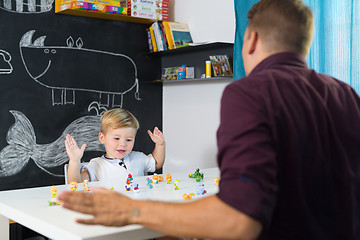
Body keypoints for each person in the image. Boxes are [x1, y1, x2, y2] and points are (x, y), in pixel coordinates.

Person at [59, 0, 360, 239]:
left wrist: (130, 211)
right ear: (304, 44)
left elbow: (239, 219)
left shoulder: (250, 92)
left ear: (251, 39)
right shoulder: (346, 93)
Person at [65, 108, 165, 184]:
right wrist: (74, 161)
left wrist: (160, 145)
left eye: (129, 140)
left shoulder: (138, 158)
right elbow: (75, 184)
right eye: (116, 138)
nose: (123, 144)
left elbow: (157, 164)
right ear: (102, 137)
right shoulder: (97, 165)